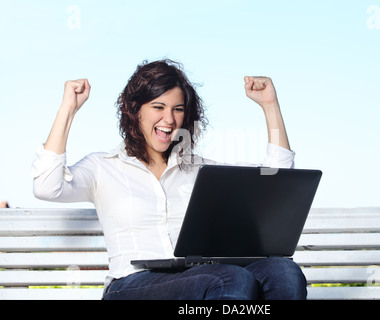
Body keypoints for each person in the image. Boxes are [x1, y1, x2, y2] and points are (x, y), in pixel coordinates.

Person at [32, 59, 307, 300]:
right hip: (130, 285)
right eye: (158, 107)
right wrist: (68, 109)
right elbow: (47, 187)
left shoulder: (200, 170)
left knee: (282, 271)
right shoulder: (103, 167)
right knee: (230, 279)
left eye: (177, 109)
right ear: (135, 111)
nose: (169, 119)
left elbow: (276, 177)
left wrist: (270, 106)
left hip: (200, 277)